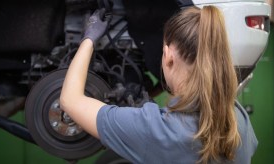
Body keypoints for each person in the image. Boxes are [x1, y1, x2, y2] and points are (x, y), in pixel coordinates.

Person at [60, 6, 257, 164]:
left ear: (169, 56)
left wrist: (89, 38)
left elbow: (70, 100)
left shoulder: (158, 131)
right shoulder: (238, 121)